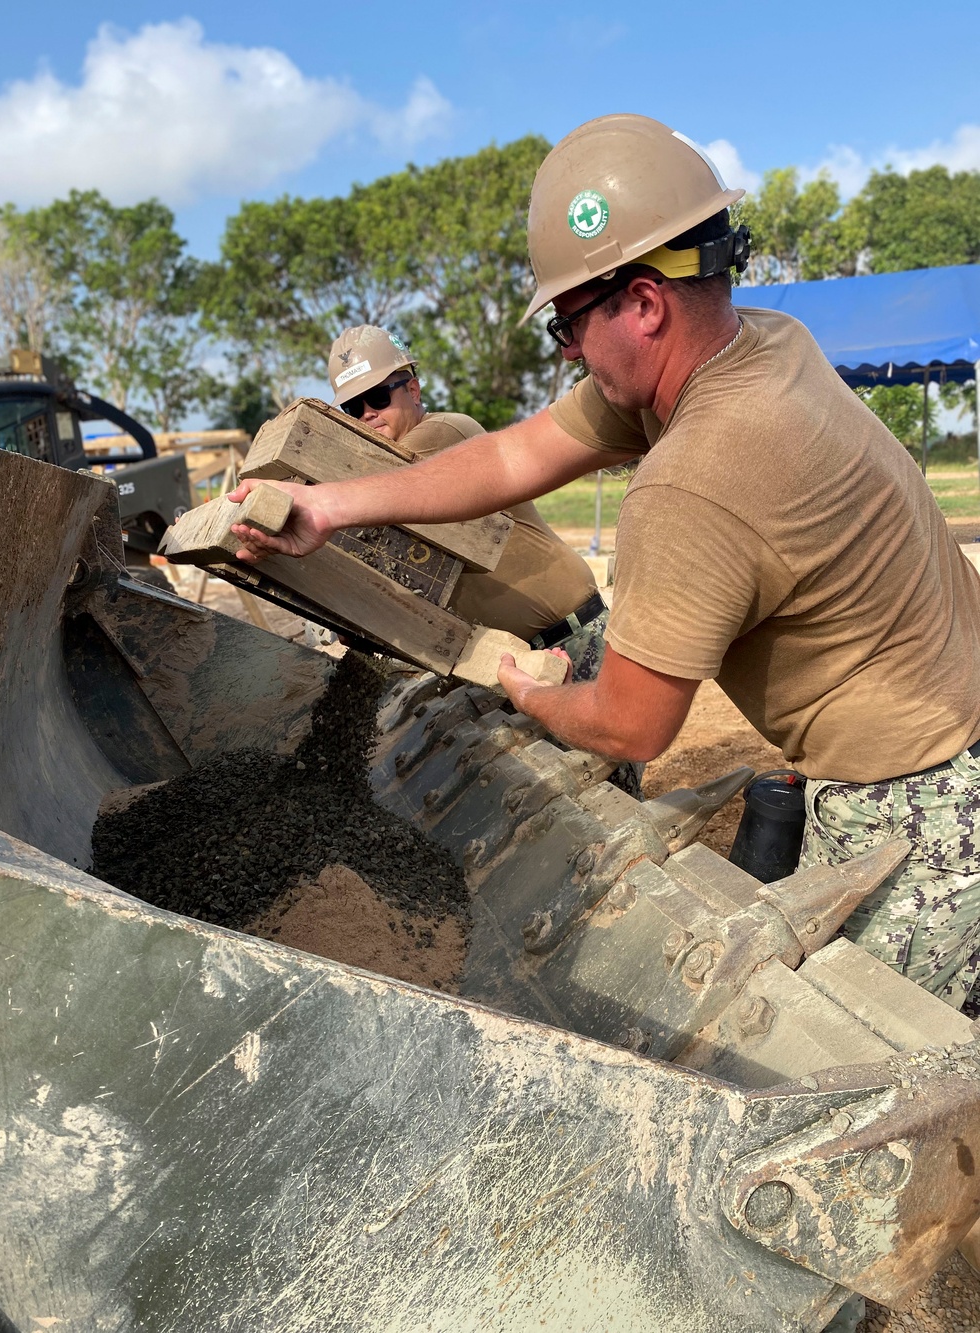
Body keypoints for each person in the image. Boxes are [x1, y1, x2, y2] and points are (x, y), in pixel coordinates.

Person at [230, 113, 980, 1022]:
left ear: (645, 304)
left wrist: (528, 686)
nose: (571, 352)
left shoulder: (695, 478)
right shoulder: (761, 343)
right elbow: (514, 457)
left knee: (874, 1064)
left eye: (568, 326)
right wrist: (331, 504)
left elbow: (630, 727)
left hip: (921, 806)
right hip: (947, 730)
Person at [325, 324, 608, 673]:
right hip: (518, 657)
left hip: (571, 636)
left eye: (379, 397)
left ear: (412, 390)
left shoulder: (444, 434)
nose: (368, 413)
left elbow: (367, 487)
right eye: (354, 406)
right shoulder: (389, 487)